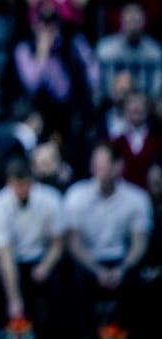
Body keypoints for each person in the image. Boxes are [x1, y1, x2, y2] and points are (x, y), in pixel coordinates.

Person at [64, 142, 152, 338]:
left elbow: (140, 242)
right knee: (75, 282)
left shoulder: (137, 198)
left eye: (103, 166)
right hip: (88, 261)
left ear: (118, 166)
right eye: (95, 166)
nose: (98, 171)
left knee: (140, 284)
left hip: (122, 260)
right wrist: (97, 270)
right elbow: (74, 243)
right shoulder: (76, 196)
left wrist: (122, 268)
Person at [0, 157, 66, 339]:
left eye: (24, 184)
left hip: (42, 259)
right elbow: (5, 254)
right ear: (8, 183)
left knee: (65, 275)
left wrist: (46, 266)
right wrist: (14, 298)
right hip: (11, 262)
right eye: (16, 185)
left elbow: (58, 242)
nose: (21, 190)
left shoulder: (50, 200)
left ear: (32, 181)